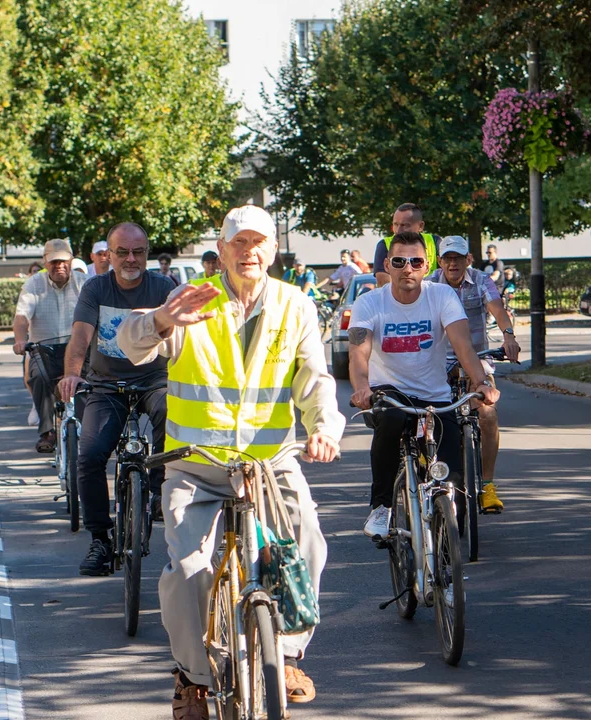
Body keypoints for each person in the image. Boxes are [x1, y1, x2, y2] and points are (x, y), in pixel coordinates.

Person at [116, 204, 342, 717]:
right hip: (196, 464)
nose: (250, 252)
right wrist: (158, 321)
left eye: (259, 242)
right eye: (239, 243)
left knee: (306, 536)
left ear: (273, 251)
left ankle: (284, 653)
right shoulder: (192, 300)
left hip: (269, 463)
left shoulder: (295, 305)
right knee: (190, 570)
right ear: (221, 252)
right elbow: (130, 344)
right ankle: (194, 677)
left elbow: (314, 380)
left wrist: (325, 427)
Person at [349, 231, 498, 538]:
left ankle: (443, 554)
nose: (408, 268)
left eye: (416, 262)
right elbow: (359, 356)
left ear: (426, 265)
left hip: (434, 396)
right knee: (389, 421)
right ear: (388, 265)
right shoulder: (369, 303)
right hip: (390, 393)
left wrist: (481, 383)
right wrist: (362, 388)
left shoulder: (441, 296)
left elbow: (463, 347)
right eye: (400, 261)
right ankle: (381, 507)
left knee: (453, 484)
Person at [58, 223, 176, 577]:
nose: (130, 259)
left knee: (172, 415)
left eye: (138, 252)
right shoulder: (96, 288)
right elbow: (80, 337)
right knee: (90, 456)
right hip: (106, 385)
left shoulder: (162, 286)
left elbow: (180, 335)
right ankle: (100, 540)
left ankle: (157, 495)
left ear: (147, 253)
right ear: (108, 255)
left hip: (155, 379)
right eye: (122, 252)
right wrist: (72, 373)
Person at [431, 235, 519, 512]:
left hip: (476, 363)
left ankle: (487, 486)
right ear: (440, 261)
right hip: (437, 364)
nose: (453, 263)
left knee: (488, 414)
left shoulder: (481, 280)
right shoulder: (430, 283)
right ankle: (429, 472)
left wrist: (508, 336)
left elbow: (497, 309)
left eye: (458, 258)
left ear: (468, 259)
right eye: (447, 258)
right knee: (426, 416)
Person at [13, 239, 88, 453]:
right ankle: (47, 432)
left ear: (71, 261)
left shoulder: (85, 282)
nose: (59, 266)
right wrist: (20, 339)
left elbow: (97, 313)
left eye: (64, 261)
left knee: (91, 381)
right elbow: (21, 317)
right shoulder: (33, 284)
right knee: (36, 377)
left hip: (78, 348)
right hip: (43, 349)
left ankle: (90, 429)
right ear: (46, 263)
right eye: (54, 262)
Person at [372, 203, 440, 287]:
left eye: (405, 225)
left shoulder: (434, 242)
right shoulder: (384, 245)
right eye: (395, 224)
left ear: (421, 226)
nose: (398, 230)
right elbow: (383, 282)